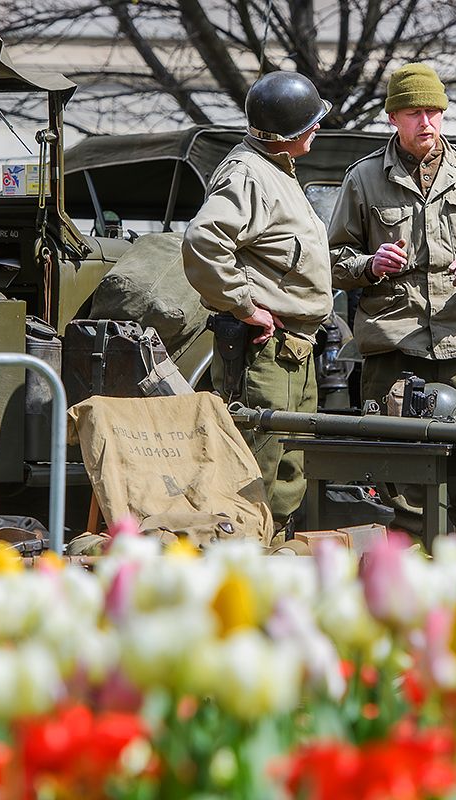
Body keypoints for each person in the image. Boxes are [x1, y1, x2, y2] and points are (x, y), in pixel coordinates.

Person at [328, 62, 456, 540]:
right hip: (395, 347)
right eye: (413, 112)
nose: (426, 121)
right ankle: (412, 584)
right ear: (393, 118)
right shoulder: (363, 181)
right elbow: (332, 260)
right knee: (399, 477)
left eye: (433, 111)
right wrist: (369, 264)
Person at [183, 71, 334, 534]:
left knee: (287, 475)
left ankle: (269, 567)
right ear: (286, 134)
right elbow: (204, 240)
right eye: (310, 123)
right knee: (256, 472)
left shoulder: (275, 170)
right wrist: (245, 306)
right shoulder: (250, 173)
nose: (317, 129)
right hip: (265, 350)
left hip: (293, 348)